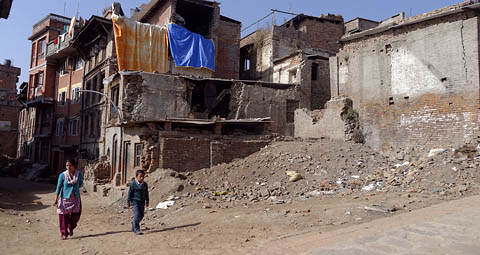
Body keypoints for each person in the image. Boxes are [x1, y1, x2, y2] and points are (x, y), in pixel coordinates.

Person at [53, 159, 84, 240]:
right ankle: (64, 233)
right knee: (63, 216)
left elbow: (80, 183)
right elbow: (58, 187)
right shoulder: (62, 175)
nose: (68, 167)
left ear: (74, 166)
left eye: (70, 165)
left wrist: (75, 190)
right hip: (64, 198)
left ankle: (70, 227)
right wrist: (56, 199)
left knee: (76, 215)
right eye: (67, 165)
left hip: (75, 198)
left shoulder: (79, 175)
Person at [127, 169, 149, 235]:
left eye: (143, 177)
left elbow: (146, 193)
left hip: (142, 202)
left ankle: (134, 223)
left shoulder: (145, 184)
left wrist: (147, 201)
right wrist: (128, 202)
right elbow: (129, 194)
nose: (142, 178)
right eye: (140, 176)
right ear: (136, 177)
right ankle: (137, 229)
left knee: (141, 215)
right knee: (137, 215)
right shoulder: (133, 184)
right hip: (135, 202)